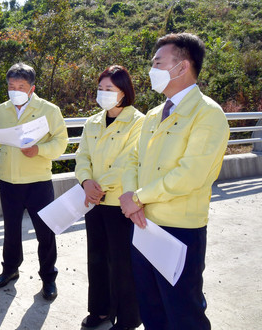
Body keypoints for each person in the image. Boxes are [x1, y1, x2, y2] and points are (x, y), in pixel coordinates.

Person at [119, 33, 230, 330]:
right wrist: (131, 198)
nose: (151, 68)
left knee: (183, 311)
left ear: (182, 67)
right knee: (151, 306)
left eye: (158, 62)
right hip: (142, 224)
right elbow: (132, 159)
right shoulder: (154, 114)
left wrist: (138, 198)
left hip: (179, 229)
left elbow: (190, 174)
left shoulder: (208, 114)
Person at [0, 62, 68, 301]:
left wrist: (39, 149)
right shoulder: (1, 109)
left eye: (21, 86)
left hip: (38, 181)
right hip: (8, 180)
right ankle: (10, 269)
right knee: (11, 230)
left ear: (32, 88)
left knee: (45, 232)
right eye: (11, 86)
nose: (15, 90)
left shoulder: (49, 109)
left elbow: (61, 142)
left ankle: (48, 277)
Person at [75, 65, 144, 330]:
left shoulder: (139, 121)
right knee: (97, 257)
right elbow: (82, 156)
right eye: (100, 89)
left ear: (124, 92)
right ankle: (101, 310)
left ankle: (128, 317)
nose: (103, 94)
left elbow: (130, 163)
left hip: (120, 203)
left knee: (122, 262)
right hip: (93, 202)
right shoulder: (92, 122)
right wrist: (85, 181)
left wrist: (98, 186)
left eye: (110, 90)